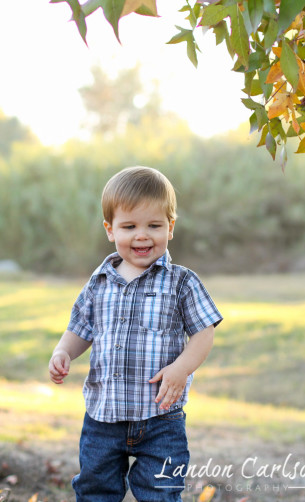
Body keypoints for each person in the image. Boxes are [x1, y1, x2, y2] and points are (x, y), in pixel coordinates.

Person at [49, 166, 223, 502]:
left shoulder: (181, 282)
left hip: (161, 418)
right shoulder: (98, 283)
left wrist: (181, 368)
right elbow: (80, 328)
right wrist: (63, 352)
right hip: (103, 417)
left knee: (160, 492)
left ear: (170, 228)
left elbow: (204, 333)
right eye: (129, 226)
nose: (142, 236)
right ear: (110, 230)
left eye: (154, 226)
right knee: (95, 490)